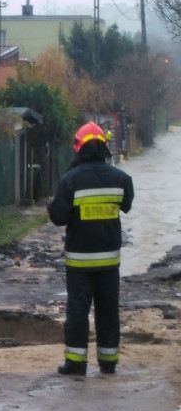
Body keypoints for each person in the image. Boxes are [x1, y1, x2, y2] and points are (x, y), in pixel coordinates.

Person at [48, 121, 134, 376]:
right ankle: (108, 363)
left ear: (79, 147)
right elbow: (127, 205)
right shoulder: (122, 178)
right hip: (109, 261)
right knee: (108, 309)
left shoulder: (69, 180)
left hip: (79, 262)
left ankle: (76, 363)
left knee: (78, 310)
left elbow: (59, 217)